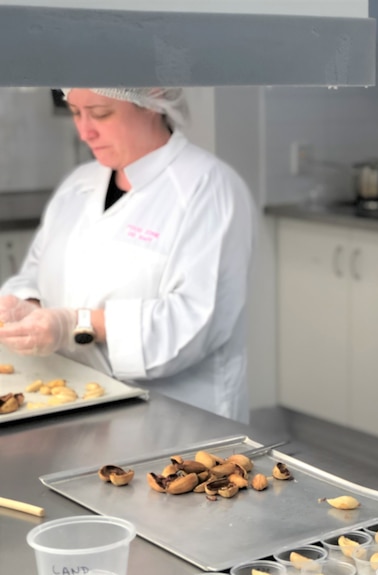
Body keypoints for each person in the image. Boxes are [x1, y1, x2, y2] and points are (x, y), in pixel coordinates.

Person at [0, 88, 256, 423]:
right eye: (76, 112)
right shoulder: (79, 184)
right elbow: (34, 272)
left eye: (101, 113)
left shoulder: (207, 189)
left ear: (152, 101)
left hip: (175, 420)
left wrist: (75, 325)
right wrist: (27, 305)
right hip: (75, 405)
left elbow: (192, 325)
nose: (84, 130)